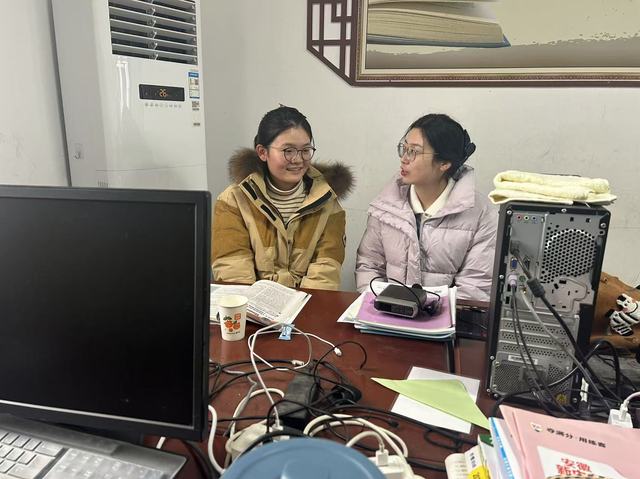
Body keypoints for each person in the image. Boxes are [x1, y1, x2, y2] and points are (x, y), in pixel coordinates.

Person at [355, 113, 497, 301]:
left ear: (444, 163)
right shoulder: (385, 206)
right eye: (404, 149)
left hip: (448, 317)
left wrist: (430, 312)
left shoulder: (481, 214)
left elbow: (476, 286)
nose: (404, 159)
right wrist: (384, 306)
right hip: (387, 312)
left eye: (414, 151)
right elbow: (369, 265)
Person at [212, 106, 353, 290]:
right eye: (288, 150)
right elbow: (233, 271)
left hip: (308, 302)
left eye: (305, 150)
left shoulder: (327, 201)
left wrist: (304, 305)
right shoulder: (234, 200)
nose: (298, 159)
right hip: (252, 303)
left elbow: (325, 272)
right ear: (262, 152)